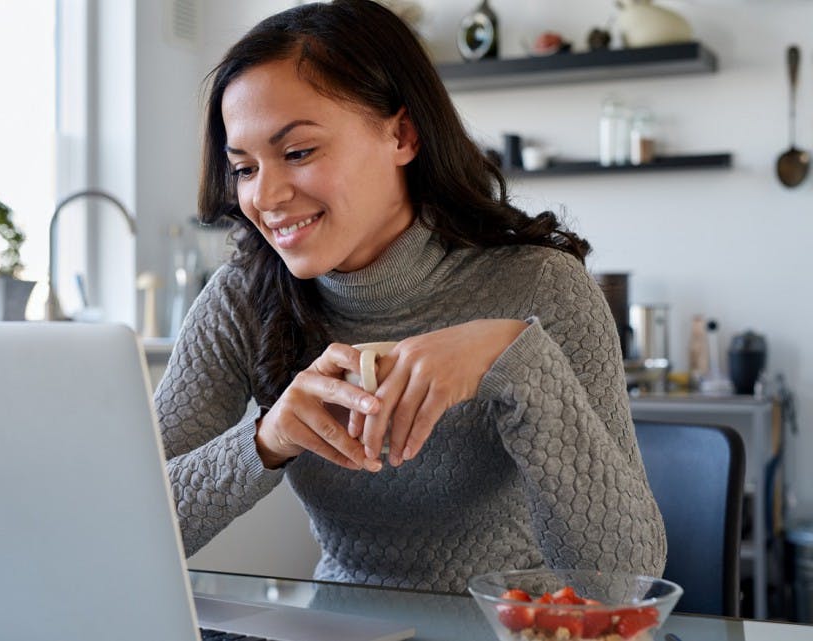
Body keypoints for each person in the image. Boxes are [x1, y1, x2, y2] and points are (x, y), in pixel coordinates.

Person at [155, 0, 666, 593]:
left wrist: (513, 356)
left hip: (516, 628)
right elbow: (126, 523)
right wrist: (265, 440)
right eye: (243, 168)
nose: (265, 196)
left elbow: (622, 580)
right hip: (338, 630)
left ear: (401, 135)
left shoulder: (543, 286)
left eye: (297, 153)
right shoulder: (242, 299)